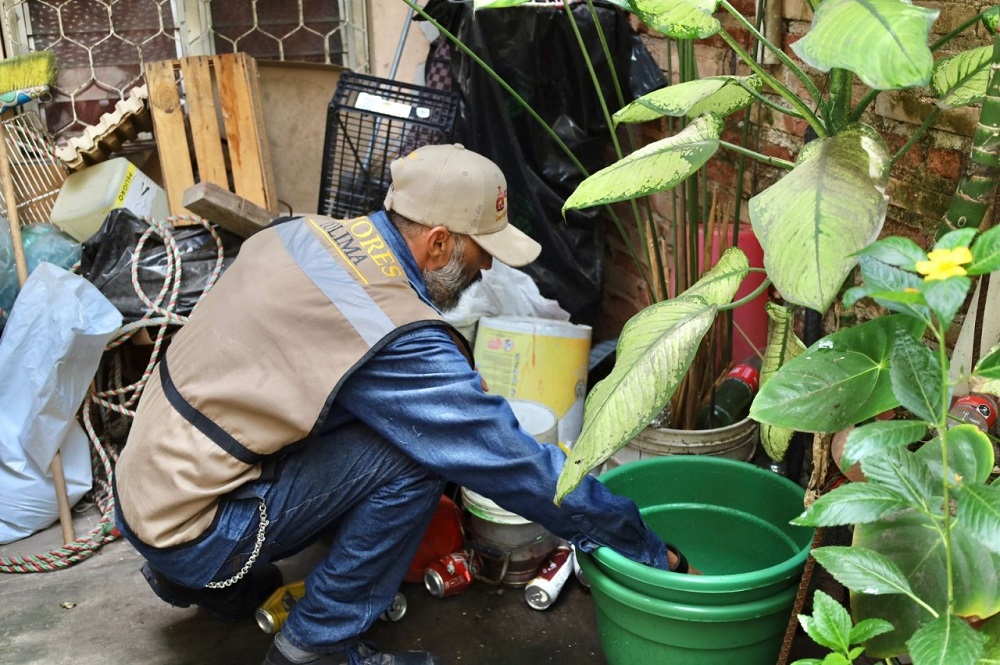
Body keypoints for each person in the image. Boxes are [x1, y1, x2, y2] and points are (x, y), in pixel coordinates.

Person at [113, 144, 690, 665]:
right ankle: (318, 647)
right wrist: (635, 540)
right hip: (196, 531)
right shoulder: (390, 328)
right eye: (482, 249)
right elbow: (509, 460)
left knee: (388, 424)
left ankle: (195, 582)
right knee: (418, 452)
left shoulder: (298, 234)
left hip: (145, 490)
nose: (488, 267)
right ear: (438, 242)